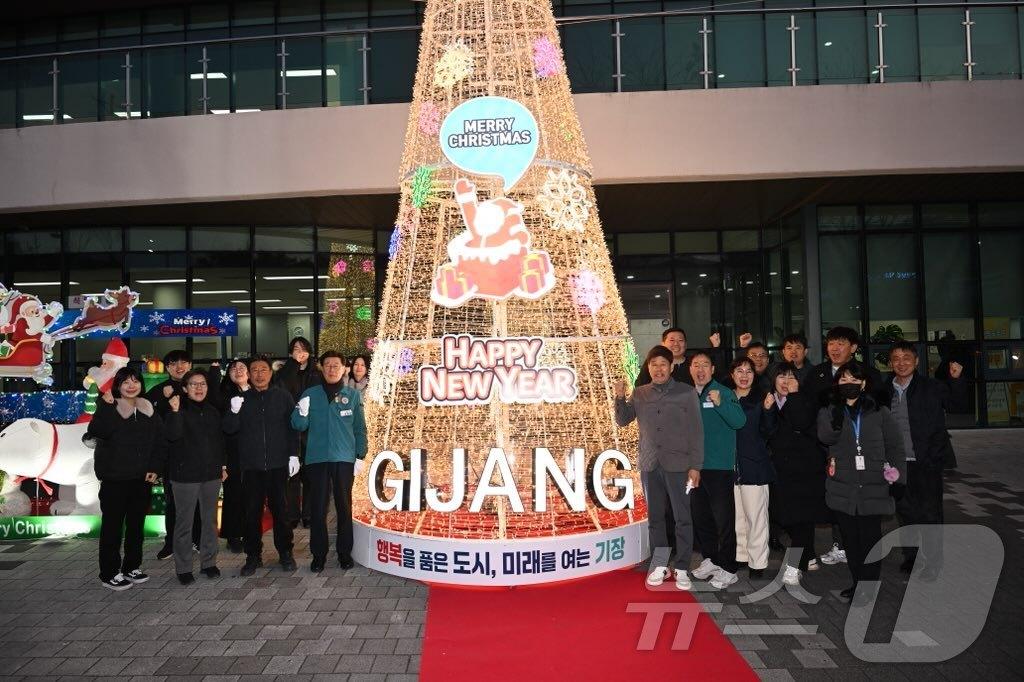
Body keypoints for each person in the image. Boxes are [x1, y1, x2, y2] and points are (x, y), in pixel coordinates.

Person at [614, 346, 704, 590]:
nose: (658, 369)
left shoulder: (686, 393)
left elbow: (696, 432)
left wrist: (696, 466)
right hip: (650, 465)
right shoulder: (641, 393)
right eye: (654, 365)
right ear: (649, 367)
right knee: (656, 518)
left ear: (671, 366)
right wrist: (620, 397)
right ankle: (660, 565)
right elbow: (623, 420)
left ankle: (683, 566)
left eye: (663, 364)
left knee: (682, 517)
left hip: (680, 466)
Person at [818, 361, 906, 602]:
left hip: (873, 485)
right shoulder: (829, 410)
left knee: (869, 540)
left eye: (854, 380)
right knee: (851, 542)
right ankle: (857, 582)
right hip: (842, 487)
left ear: (864, 383)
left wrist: (900, 479)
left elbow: (896, 446)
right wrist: (836, 418)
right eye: (843, 380)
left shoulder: (879, 411)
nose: (849, 384)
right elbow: (825, 437)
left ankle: (868, 586)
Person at [803, 327, 884, 566]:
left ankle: (862, 552)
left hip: (859, 452)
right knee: (835, 498)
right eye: (831, 343)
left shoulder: (869, 374)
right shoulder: (817, 374)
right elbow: (808, 410)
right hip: (824, 448)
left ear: (854, 347)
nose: (835, 348)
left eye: (841, 343)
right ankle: (841, 543)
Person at [884, 342, 966, 579]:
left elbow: (958, 406)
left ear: (917, 361)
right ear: (891, 363)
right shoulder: (884, 389)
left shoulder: (932, 387)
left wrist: (957, 380)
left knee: (930, 514)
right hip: (897, 464)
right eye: (896, 358)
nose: (901, 363)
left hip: (926, 461)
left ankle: (933, 561)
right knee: (905, 512)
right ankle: (911, 557)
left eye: (906, 358)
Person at [84, 367, 166, 591]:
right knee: (112, 528)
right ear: (118, 386)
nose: (131, 385)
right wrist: (109, 407)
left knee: (136, 527)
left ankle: (132, 566)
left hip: (142, 479)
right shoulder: (108, 406)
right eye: (126, 382)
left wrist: (155, 467)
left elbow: (160, 442)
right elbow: (98, 431)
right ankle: (109, 572)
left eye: (135, 381)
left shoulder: (148, 409)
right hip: (114, 479)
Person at [223, 356, 300, 576]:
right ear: (248, 374)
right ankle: (253, 556)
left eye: (263, 369)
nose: (259, 374)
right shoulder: (241, 399)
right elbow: (228, 429)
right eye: (254, 370)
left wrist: (293, 455)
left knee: (281, 512)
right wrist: (233, 411)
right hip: (251, 467)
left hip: (278, 465)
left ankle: (285, 553)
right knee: (251, 513)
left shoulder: (283, 396)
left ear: (270, 373)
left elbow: (292, 428)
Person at [291, 351, 368, 573]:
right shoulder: (310, 394)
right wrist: (302, 413)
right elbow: (298, 425)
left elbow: (360, 428)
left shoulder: (352, 396)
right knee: (317, 509)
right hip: (317, 459)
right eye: (328, 365)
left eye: (337, 365)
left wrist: (360, 455)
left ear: (344, 369)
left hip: (344, 460)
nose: (332, 369)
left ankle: (345, 553)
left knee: (344, 507)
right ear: (321, 368)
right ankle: (319, 555)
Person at [764, 362, 827, 585]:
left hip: (805, 470)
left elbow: (801, 422)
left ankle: (794, 565)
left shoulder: (805, 399)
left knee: (802, 517)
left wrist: (795, 396)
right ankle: (807, 553)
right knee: (788, 518)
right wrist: (768, 409)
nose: (786, 380)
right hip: (779, 470)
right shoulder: (769, 400)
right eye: (781, 376)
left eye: (791, 376)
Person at [688, 351, 746, 589]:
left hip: (719, 468)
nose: (700, 369)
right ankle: (711, 559)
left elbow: (739, 421)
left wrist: (721, 404)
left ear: (712, 369)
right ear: (690, 369)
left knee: (723, 519)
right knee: (701, 518)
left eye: (705, 365)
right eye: (695, 365)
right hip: (693, 469)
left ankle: (729, 568)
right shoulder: (687, 395)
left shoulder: (723, 392)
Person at [163, 370, 226, 584]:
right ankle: (183, 567)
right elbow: (172, 436)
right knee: (184, 523)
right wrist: (175, 412)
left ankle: (209, 562)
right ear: (185, 388)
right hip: (184, 476)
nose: (199, 388)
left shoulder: (212, 412)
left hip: (210, 474)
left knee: (209, 521)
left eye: (203, 384)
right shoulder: (175, 409)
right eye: (193, 384)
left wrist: (222, 466)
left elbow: (220, 442)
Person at [144, 349, 201, 561]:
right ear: (167, 367)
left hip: (196, 454)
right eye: (174, 363)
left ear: (190, 366)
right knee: (173, 501)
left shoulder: (198, 389)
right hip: (171, 456)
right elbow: (152, 426)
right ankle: (171, 542)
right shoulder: (157, 391)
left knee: (197, 500)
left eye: (184, 362)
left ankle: (197, 539)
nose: (180, 367)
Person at [729, 358, 776, 580]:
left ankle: (758, 562)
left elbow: (769, 431)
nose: (744, 375)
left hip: (754, 467)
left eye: (748, 371)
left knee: (756, 517)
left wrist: (767, 410)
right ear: (732, 375)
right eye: (739, 370)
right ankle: (741, 556)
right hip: (730, 468)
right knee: (737, 516)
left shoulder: (761, 399)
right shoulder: (725, 398)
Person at [274, 336, 323, 529]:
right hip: (289, 426)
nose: (299, 352)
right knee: (291, 473)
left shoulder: (316, 373)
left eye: (303, 348)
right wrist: (293, 364)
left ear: (309, 351)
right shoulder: (284, 372)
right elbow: (281, 388)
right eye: (295, 349)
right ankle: (292, 513)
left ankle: (309, 513)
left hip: (312, 427)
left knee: (311, 472)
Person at [215, 359, 249, 553]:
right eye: (233, 369)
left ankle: (249, 531)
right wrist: (223, 463)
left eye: (242, 368)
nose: (238, 371)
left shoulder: (256, 391)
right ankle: (233, 535)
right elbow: (222, 430)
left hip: (252, 453)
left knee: (251, 495)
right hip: (232, 453)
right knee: (233, 495)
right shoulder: (223, 396)